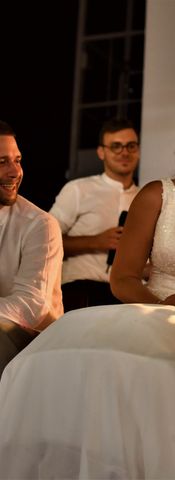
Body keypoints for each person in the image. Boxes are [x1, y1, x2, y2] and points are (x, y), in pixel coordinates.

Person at [0, 99, 175, 479]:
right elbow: (123, 279)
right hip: (151, 308)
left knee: (171, 370)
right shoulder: (157, 195)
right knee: (58, 350)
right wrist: (162, 301)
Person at [49, 118, 140, 311]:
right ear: (101, 152)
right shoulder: (79, 189)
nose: (124, 152)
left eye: (131, 146)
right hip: (81, 290)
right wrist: (96, 241)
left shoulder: (146, 198)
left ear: (138, 150)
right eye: (116, 146)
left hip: (128, 297)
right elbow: (44, 241)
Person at [0, 120, 63, 375]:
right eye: (2, 162)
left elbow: (30, 307)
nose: (16, 172)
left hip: (34, 340)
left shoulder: (40, 225)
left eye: (17, 160)